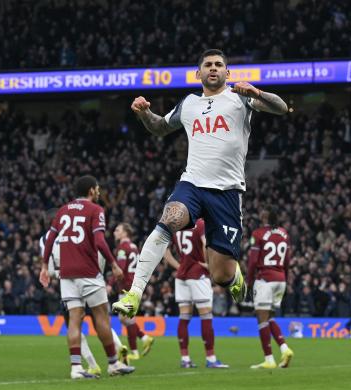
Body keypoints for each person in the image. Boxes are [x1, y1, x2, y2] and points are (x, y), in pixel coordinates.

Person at [112, 48, 288, 318]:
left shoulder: (240, 99)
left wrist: (258, 94)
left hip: (227, 193)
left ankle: (235, 278)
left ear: (227, 73)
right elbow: (160, 127)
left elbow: (281, 107)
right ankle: (134, 293)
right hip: (192, 184)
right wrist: (144, 114)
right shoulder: (189, 104)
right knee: (169, 219)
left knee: (220, 274)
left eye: (219, 64)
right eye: (208, 65)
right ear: (199, 73)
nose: (214, 68)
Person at [40, 175, 135, 379]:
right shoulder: (95, 210)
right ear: (91, 190)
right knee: (101, 316)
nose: (99, 192)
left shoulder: (63, 210)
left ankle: (76, 368)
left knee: (74, 320)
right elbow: (100, 241)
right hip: (88, 272)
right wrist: (113, 264)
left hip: (66, 274)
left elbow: (50, 239)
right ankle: (113, 363)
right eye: (98, 188)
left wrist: (43, 266)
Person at [164, 218, 228, 368]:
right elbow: (206, 244)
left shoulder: (175, 226)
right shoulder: (199, 224)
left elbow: (165, 253)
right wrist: (210, 265)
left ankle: (185, 358)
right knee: (206, 316)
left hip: (182, 277)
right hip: (198, 275)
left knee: (184, 317)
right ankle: (211, 359)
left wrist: (179, 267)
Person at [247, 208, 294, 369]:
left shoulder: (258, 234)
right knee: (270, 317)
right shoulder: (284, 233)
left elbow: (253, 262)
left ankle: (269, 359)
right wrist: (285, 278)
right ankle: (284, 348)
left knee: (261, 319)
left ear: (265, 216)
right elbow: (287, 260)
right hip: (280, 278)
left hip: (265, 279)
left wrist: (248, 281)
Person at [112, 223, 154, 361]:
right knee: (126, 318)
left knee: (127, 319)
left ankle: (135, 351)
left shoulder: (122, 248)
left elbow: (121, 269)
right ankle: (144, 338)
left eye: (118, 230)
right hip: (134, 285)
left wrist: (109, 283)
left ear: (125, 233)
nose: (114, 232)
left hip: (126, 286)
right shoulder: (134, 247)